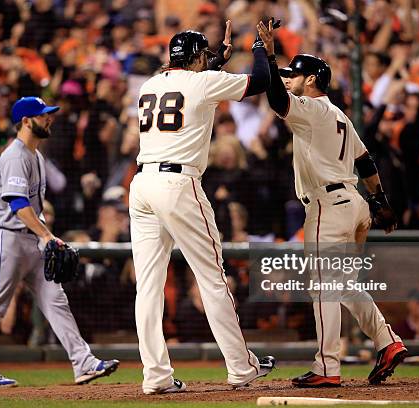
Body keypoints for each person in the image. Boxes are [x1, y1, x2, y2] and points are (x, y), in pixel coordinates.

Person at [129, 21, 276, 395]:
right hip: (178, 185)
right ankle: (241, 366)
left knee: (148, 286)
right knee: (212, 277)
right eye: (204, 57)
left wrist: (216, 62)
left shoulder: (150, 84)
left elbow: (194, 84)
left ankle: (156, 376)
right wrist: (259, 46)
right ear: (196, 58)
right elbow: (259, 81)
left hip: (143, 183)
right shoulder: (202, 81)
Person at [264, 45, 407, 387]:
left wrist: (268, 58)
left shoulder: (312, 108)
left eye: (293, 76)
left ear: (311, 79)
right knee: (344, 286)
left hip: (328, 207)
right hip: (355, 204)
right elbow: (366, 161)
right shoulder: (340, 115)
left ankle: (327, 367)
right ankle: (387, 341)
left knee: (324, 288)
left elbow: (277, 102)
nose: (288, 81)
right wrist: (380, 200)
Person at [0, 97, 119, 387]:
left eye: (48, 114)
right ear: (26, 121)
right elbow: (18, 204)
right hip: (7, 238)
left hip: (29, 240)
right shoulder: (15, 156)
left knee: (56, 300)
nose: (49, 119)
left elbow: (32, 209)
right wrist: (46, 235)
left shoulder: (36, 155)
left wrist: (45, 236)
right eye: (43, 115)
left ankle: (83, 362)